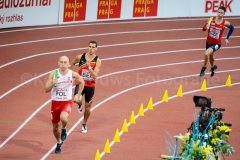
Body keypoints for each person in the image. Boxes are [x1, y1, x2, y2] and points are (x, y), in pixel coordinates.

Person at [45, 56, 84, 154]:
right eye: (61, 62)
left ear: (68, 64)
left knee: (64, 118)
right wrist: (52, 84)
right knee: (54, 128)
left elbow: (82, 81)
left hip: (66, 101)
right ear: (58, 63)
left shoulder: (72, 74)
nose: (63, 64)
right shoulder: (54, 74)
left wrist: (78, 94)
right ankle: (58, 142)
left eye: (65, 62)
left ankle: (64, 129)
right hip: (55, 102)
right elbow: (46, 89)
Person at [70, 40, 102, 133]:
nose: (91, 49)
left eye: (93, 47)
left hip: (90, 86)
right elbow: (72, 63)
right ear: (88, 47)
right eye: (90, 46)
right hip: (80, 83)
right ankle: (79, 104)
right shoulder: (80, 57)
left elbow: (95, 76)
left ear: (96, 49)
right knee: (77, 99)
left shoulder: (98, 61)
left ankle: (84, 123)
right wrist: (72, 75)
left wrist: (89, 68)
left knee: (88, 107)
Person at [199, 6, 234, 77]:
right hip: (208, 41)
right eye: (218, 12)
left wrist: (227, 38)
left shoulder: (225, 23)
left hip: (217, 43)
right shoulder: (211, 19)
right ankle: (213, 68)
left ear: (224, 14)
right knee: (211, 56)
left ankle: (204, 68)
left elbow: (232, 28)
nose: (219, 14)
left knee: (206, 54)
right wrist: (206, 26)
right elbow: (203, 29)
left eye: (221, 13)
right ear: (217, 12)